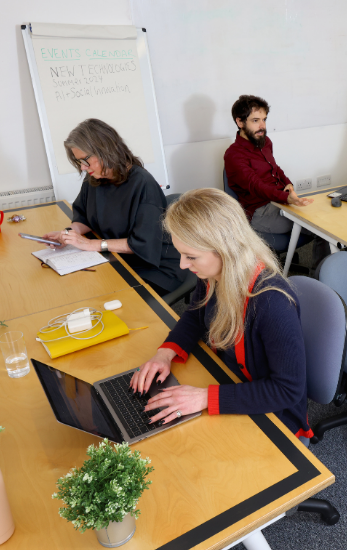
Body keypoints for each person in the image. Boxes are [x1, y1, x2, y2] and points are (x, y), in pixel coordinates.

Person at [129, 188, 313, 438]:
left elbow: (287, 390)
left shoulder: (272, 303)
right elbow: (195, 314)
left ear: (225, 250)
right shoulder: (215, 274)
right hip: (225, 379)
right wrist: (165, 353)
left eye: (191, 256)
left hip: (270, 413)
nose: (183, 265)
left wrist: (205, 397)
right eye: (181, 254)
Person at [43, 119, 184, 296]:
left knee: (102, 297)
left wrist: (93, 244)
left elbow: (142, 245)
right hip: (116, 256)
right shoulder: (94, 179)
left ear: (105, 151)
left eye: (85, 160)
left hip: (153, 267)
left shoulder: (143, 185)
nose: (83, 167)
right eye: (79, 162)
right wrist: (67, 234)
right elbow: (84, 218)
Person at [224, 94, 313, 233]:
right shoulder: (233, 155)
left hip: (278, 200)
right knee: (319, 227)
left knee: (323, 220)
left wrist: (288, 184)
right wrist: (286, 198)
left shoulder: (265, 142)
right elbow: (257, 186)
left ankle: (327, 256)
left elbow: (275, 168)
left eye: (264, 120)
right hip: (260, 211)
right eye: (255, 120)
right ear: (240, 122)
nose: (262, 126)